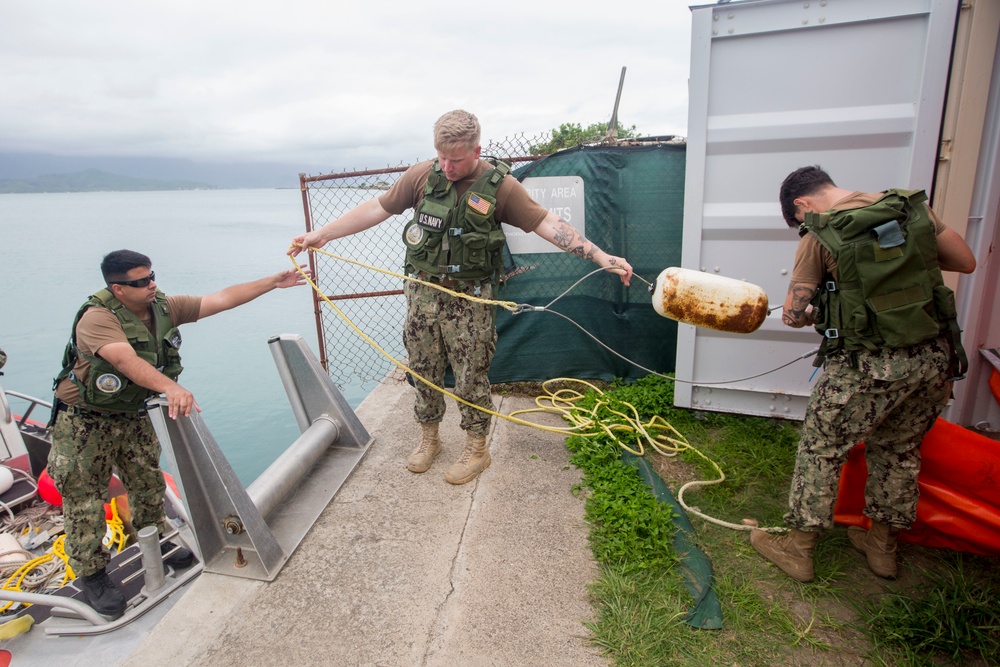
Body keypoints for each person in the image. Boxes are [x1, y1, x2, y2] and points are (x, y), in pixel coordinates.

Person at [289, 109, 633, 485]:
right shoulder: (422, 176)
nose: (448, 167)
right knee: (423, 369)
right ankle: (429, 438)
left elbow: (548, 224)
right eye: (442, 157)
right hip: (423, 293)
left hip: (470, 299)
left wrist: (601, 256)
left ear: (476, 150)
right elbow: (378, 207)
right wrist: (323, 234)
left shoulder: (500, 187)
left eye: (456, 160)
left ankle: (476, 448)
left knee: (471, 374)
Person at [48, 249, 309, 618]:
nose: (151, 284)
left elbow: (220, 299)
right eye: (140, 282)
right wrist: (170, 388)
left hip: (134, 413)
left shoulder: (163, 306)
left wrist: (272, 282)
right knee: (84, 498)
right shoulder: (97, 319)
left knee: (148, 483)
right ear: (118, 289)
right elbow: (126, 361)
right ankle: (92, 574)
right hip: (86, 420)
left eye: (152, 276)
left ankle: (157, 540)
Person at [749, 166, 976, 582]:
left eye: (798, 220)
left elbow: (794, 314)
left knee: (822, 447)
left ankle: (799, 550)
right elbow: (965, 261)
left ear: (802, 205)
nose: (803, 225)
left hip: (868, 366)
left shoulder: (820, 234)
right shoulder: (912, 210)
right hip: (933, 359)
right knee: (899, 449)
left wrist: (813, 311)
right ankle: (882, 548)